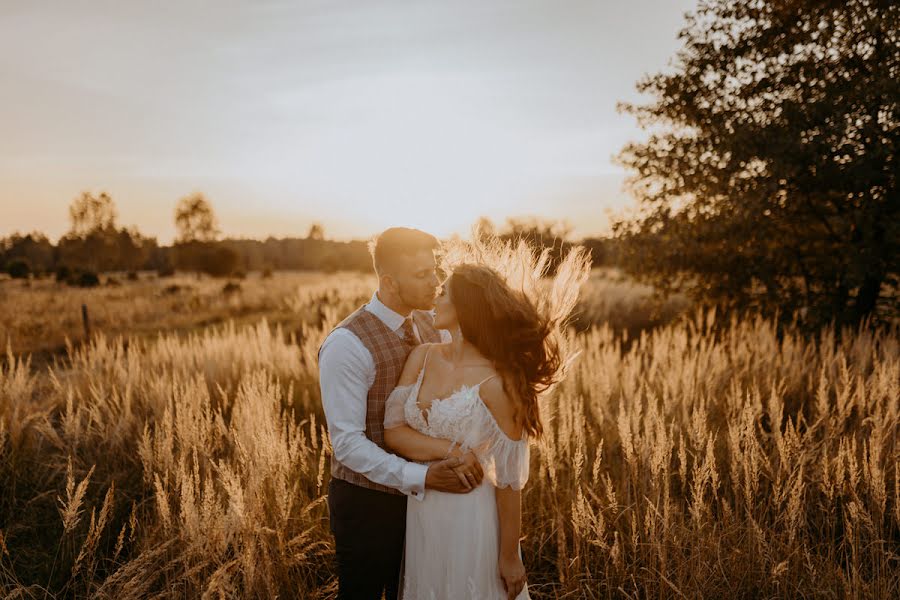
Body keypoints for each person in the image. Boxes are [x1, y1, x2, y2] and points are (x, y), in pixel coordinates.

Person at [383, 239, 590, 599]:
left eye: (444, 291)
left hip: (472, 514)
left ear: (466, 306)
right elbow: (394, 432)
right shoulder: (422, 356)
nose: (435, 295)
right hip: (424, 510)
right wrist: (453, 451)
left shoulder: (499, 381)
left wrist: (509, 555)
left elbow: (509, 481)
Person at [318, 227, 486, 600]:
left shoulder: (435, 324)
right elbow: (346, 444)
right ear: (390, 282)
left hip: (430, 503)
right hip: (367, 505)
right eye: (422, 275)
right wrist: (422, 476)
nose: (436, 282)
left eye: (434, 270)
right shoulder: (346, 345)